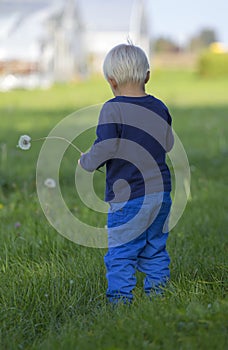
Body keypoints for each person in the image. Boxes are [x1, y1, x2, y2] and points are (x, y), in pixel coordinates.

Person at [79, 43, 174, 304]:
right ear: (147, 76)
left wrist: (87, 161)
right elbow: (168, 144)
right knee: (155, 248)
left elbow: (106, 147)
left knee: (122, 252)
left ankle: (120, 301)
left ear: (111, 81)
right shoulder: (159, 107)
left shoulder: (113, 108)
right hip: (161, 195)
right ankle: (158, 298)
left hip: (128, 198)